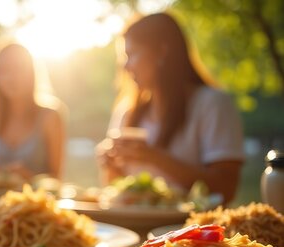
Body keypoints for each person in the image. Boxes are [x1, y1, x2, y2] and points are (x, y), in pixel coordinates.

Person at [97, 13, 244, 203]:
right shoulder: (126, 111)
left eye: (132, 54)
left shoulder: (213, 103)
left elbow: (226, 188)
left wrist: (154, 157)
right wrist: (110, 166)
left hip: (192, 229)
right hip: (133, 229)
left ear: (161, 51)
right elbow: (114, 192)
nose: (126, 66)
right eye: (124, 57)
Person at [0, 39, 66, 181]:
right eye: (5, 70)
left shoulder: (50, 117)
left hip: (38, 202)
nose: (12, 77)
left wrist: (29, 179)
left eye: (19, 69)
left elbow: (57, 180)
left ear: (32, 72)